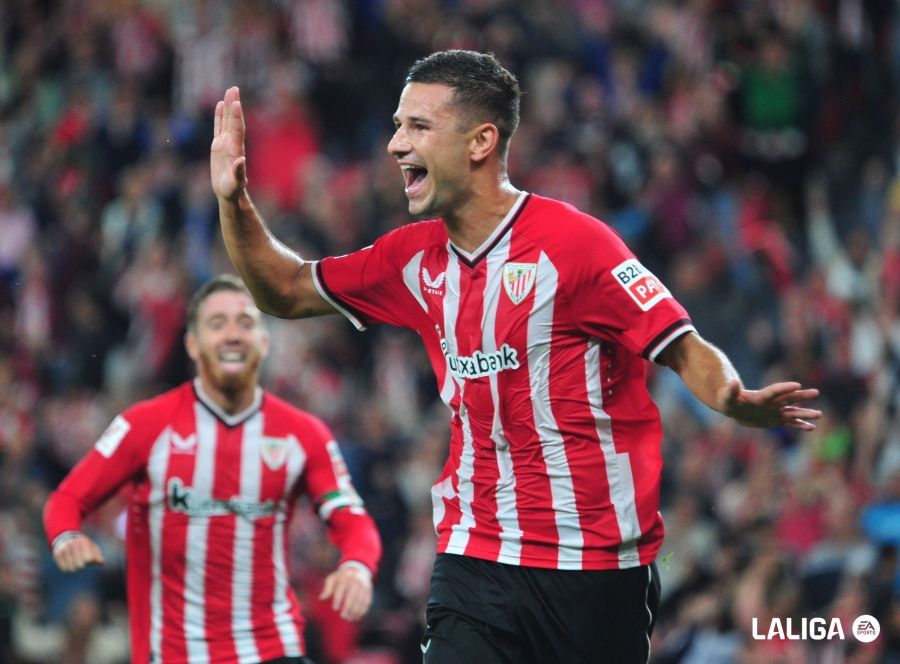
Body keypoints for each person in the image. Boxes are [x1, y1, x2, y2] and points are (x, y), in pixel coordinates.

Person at [210, 50, 821, 663]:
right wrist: (234, 201)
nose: (396, 145)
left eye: (418, 126)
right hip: (475, 554)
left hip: (594, 565)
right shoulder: (411, 257)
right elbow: (284, 289)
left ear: (480, 141)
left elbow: (683, 346)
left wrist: (733, 398)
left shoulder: (577, 245)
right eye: (397, 126)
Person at [43, 274, 382, 664]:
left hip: (272, 649)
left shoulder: (303, 434)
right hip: (175, 653)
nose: (233, 335)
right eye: (217, 324)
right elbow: (67, 499)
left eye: (245, 323)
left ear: (264, 342)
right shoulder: (144, 425)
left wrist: (357, 566)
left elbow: (352, 520)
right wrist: (66, 535)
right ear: (192, 344)